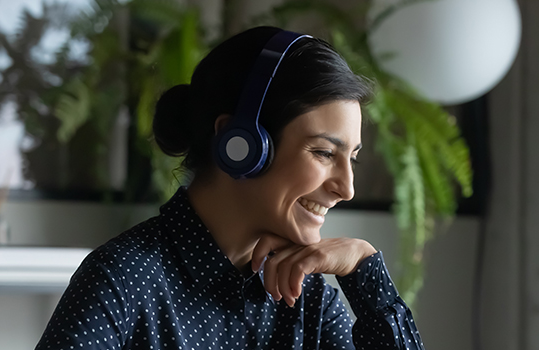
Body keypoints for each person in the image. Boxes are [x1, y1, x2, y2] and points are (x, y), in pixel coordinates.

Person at [36, 26, 424, 350]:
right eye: (324, 152)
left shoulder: (307, 298)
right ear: (241, 146)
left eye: (351, 158)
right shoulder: (123, 279)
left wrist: (364, 270)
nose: (346, 188)